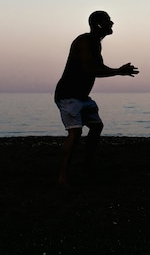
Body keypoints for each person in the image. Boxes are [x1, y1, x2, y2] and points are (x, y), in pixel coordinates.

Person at [55, 11, 139, 187]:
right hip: (69, 96)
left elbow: (98, 67)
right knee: (75, 133)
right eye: (108, 20)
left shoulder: (95, 43)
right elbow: (89, 69)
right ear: (99, 24)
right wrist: (118, 71)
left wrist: (117, 71)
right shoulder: (85, 41)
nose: (112, 23)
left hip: (82, 97)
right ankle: (62, 178)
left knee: (96, 126)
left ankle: (87, 165)